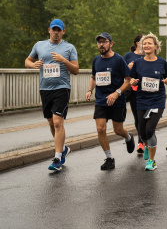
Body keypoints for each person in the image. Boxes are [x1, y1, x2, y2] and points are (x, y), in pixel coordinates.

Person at [25, 19, 79, 171]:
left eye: (59, 30)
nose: (56, 32)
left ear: (63, 31)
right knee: (51, 123)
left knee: (57, 122)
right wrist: (33, 65)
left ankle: (57, 158)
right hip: (45, 88)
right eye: (54, 29)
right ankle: (63, 148)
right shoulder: (39, 45)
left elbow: (75, 70)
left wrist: (63, 60)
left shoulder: (69, 48)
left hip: (62, 88)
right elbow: (27, 61)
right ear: (49, 30)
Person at [85, 32, 135, 170]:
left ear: (111, 44)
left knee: (118, 130)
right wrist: (89, 90)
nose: (101, 44)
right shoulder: (96, 60)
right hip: (101, 100)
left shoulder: (118, 60)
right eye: (99, 42)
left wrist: (116, 93)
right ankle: (109, 158)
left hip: (117, 101)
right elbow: (93, 77)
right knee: (100, 128)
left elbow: (128, 81)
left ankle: (128, 136)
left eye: (104, 41)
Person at [130, 33, 167, 171]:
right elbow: (131, 79)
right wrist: (133, 81)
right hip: (142, 100)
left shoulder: (161, 62)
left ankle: (152, 161)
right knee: (142, 132)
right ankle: (147, 147)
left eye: (149, 43)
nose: (146, 45)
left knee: (150, 130)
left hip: (157, 100)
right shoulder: (138, 63)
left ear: (155, 46)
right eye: (144, 43)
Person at [123, 34, 145, 154]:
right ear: (137, 43)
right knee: (138, 117)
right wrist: (128, 67)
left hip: (147, 90)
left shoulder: (149, 54)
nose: (146, 43)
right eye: (143, 41)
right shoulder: (128, 56)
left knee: (146, 116)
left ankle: (145, 138)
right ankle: (141, 141)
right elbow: (120, 70)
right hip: (134, 91)